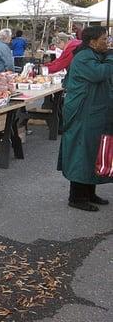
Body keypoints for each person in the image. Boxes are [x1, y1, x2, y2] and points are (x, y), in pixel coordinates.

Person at [57, 26, 113, 212]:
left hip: (95, 113)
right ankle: (76, 197)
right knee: (81, 153)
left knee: (93, 152)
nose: (107, 41)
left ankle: (90, 191)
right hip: (82, 114)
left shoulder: (96, 55)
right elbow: (99, 74)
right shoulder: (83, 58)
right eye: (104, 39)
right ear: (92, 42)